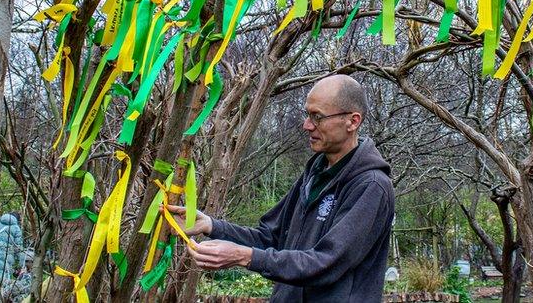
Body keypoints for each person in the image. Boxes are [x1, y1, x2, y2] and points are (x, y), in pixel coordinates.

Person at [168, 74, 395, 302]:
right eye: (307, 115)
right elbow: (270, 238)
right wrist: (211, 226)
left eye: (317, 117)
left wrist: (245, 257)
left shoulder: (371, 186)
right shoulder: (314, 174)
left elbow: (327, 263)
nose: (307, 125)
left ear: (353, 121)